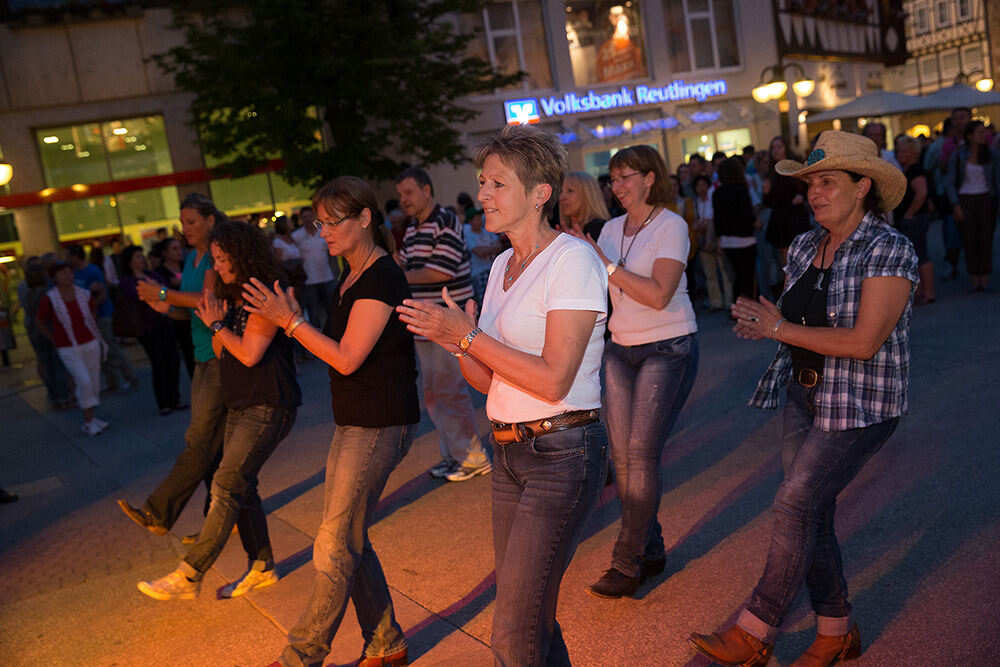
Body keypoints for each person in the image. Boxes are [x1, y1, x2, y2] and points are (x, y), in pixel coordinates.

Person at [689, 131, 917, 667]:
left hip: (860, 403)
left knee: (794, 503)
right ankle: (837, 630)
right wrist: (766, 328)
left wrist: (781, 328)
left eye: (827, 182)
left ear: (863, 186)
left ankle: (755, 630)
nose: (814, 193)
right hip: (803, 394)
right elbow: (795, 326)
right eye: (810, 182)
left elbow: (863, 342)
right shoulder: (801, 246)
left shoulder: (889, 248)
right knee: (810, 511)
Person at [397, 123, 608, 666]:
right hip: (508, 451)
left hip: (562, 454)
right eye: (481, 182)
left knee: (512, 629)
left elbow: (554, 379)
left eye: (496, 184)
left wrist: (466, 336)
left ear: (540, 195)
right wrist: (459, 342)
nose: (482, 195)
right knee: (530, 615)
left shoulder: (572, 261)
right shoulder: (498, 269)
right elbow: (488, 383)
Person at [245, 177, 418, 667]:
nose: (322, 231)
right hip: (355, 420)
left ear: (365, 218)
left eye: (332, 221)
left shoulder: (381, 276)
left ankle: (301, 655)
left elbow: (346, 358)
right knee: (348, 535)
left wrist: (292, 323)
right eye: (317, 222)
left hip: (381, 421)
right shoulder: (351, 274)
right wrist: (295, 320)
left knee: (335, 542)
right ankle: (386, 642)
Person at [137, 220, 300, 600]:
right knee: (244, 487)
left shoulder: (263, 293)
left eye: (224, 259)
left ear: (243, 255)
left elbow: (249, 353)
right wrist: (216, 324)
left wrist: (215, 324)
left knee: (227, 484)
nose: (219, 267)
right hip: (242, 403)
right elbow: (227, 349)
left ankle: (189, 573)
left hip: (268, 404)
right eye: (216, 259)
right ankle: (262, 566)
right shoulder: (237, 294)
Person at [568, 144, 699, 599]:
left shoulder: (672, 225)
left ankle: (627, 562)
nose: (617, 187)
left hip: (668, 346)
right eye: (613, 179)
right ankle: (653, 547)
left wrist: (605, 264)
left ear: (649, 178)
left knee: (640, 454)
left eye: (626, 177)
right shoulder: (609, 230)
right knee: (622, 458)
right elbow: (601, 296)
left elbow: (659, 293)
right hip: (620, 351)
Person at [119, 194, 254, 563]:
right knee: (215, 450)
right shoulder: (194, 257)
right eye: (183, 222)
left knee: (200, 442)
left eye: (192, 221)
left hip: (217, 355)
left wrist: (165, 293)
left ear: (211, 221)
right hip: (201, 355)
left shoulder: (214, 253)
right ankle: (222, 523)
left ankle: (159, 513)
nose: (185, 228)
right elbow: (190, 309)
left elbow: (208, 298)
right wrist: (165, 306)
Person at [395, 166, 490, 482]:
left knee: (449, 390)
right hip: (425, 321)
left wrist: (395, 277)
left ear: (426, 189)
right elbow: (413, 267)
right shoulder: (412, 228)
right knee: (435, 393)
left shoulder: (445, 221)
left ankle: (472, 456)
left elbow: (441, 272)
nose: (403, 199)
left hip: (448, 321)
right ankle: (455, 455)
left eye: (408, 192)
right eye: (400, 194)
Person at [35, 261, 109, 436]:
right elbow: (39, 320)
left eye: (70, 272)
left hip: (89, 342)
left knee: (93, 379)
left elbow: (92, 312)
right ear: (54, 278)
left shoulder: (84, 294)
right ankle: (88, 419)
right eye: (63, 273)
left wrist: (90, 327)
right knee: (83, 381)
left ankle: (92, 416)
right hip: (67, 347)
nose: (68, 276)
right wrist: (53, 338)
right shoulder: (50, 299)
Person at [118, 246, 184, 415]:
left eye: (142, 256)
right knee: (159, 364)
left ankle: (174, 399)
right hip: (147, 327)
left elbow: (165, 294)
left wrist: (159, 292)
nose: (142, 259)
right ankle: (164, 402)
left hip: (165, 321)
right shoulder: (127, 280)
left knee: (173, 361)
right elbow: (143, 295)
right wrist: (159, 291)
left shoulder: (153, 275)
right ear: (130, 260)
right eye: (138, 256)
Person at [65, 243, 138, 393]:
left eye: (68, 255)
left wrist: (89, 307)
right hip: (89, 317)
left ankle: (130, 377)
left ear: (74, 256)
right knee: (99, 350)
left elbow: (102, 295)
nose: (66, 259)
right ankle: (112, 380)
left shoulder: (92, 271)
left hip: (101, 315)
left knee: (111, 347)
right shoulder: (75, 273)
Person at [946, 119, 998, 292]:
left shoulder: (991, 154)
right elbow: (951, 182)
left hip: (985, 198)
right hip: (966, 199)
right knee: (969, 240)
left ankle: (984, 275)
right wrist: (955, 205)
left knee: (986, 239)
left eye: (985, 132)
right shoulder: (959, 155)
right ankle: (974, 275)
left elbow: (996, 180)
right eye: (980, 132)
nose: (984, 136)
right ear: (970, 136)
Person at [21, 258, 73, 409]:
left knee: (47, 365)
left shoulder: (27, 293)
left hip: (35, 333)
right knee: (58, 366)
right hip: (50, 331)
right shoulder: (47, 293)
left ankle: (54, 397)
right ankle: (64, 397)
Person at [764, 136, 811, 296]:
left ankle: (803, 291)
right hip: (781, 219)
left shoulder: (794, 167)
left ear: (786, 148)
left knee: (801, 255)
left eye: (779, 147)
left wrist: (801, 195)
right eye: (773, 148)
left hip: (795, 217)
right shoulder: (771, 172)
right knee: (785, 261)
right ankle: (792, 293)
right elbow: (770, 202)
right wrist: (766, 192)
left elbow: (806, 185)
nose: (776, 151)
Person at [893, 135, 936, 304]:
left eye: (904, 151)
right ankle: (920, 292)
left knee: (920, 255)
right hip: (914, 218)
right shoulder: (909, 170)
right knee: (916, 256)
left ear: (913, 152)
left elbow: (922, 193)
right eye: (898, 150)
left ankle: (928, 292)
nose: (899, 154)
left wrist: (909, 214)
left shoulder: (915, 171)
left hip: (916, 219)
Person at [714, 156, 758, 301]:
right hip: (745, 239)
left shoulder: (717, 194)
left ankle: (737, 308)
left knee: (736, 277)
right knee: (747, 277)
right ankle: (748, 310)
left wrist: (719, 238)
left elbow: (718, 219)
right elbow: (746, 214)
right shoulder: (741, 190)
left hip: (727, 241)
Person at [292, 206, 338, 328]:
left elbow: (331, 255)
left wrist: (335, 272)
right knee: (314, 314)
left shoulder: (323, 232)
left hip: (327, 277)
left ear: (314, 217)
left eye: (309, 216)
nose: (307, 219)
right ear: (301, 219)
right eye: (304, 217)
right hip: (309, 281)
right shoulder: (296, 236)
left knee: (333, 311)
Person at [691, 174, 732, 310]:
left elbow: (710, 219)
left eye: (703, 185)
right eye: (698, 186)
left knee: (725, 272)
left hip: (715, 237)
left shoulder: (713, 198)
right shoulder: (696, 202)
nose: (701, 188)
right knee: (710, 274)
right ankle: (716, 302)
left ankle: (729, 301)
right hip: (703, 239)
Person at [156, 237, 195, 377]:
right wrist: (166, 291)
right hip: (176, 315)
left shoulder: (188, 265)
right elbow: (159, 293)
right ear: (164, 253)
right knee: (188, 352)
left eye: (179, 248)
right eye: (174, 249)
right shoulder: (160, 272)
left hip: (193, 310)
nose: (178, 252)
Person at [558, 171, 611, 240]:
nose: (562, 197)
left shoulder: (602, 229)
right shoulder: (563, 232)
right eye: (560, 191)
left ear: (587, 194)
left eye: (570, 191)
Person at [464, 208, 501, 305]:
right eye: (477, 219)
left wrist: (485, 249)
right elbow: (479, 252)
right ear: (470, 222)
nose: (480, 221)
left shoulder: (487, 231)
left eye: (480, 218)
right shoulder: (469, 236)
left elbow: (499, 246)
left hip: (492, 269)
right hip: (479, 272)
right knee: (486, 302)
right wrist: (491, 247)